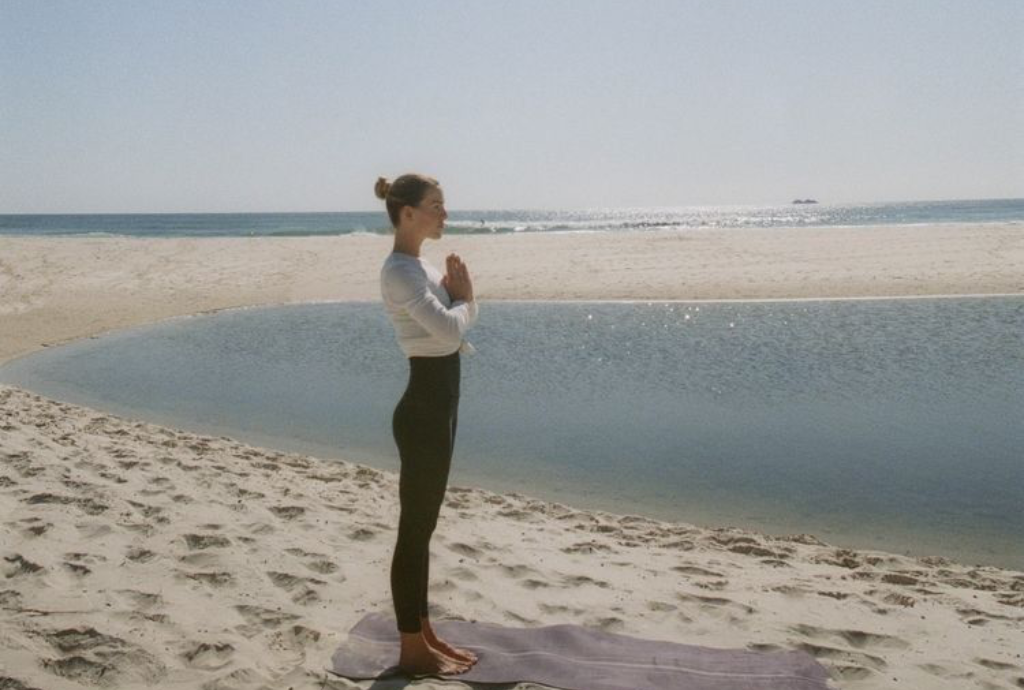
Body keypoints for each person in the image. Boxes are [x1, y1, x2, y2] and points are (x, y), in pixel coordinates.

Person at [375, 173, 480, 676]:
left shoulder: (421, 266)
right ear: (408, 213)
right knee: (413, 531)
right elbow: (448, 330)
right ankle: (411, 648)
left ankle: (424, 631)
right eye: (436, 205)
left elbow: (450, 329)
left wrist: (461, 305)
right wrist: (468, 300)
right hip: (423, 412)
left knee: (425, 527)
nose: (445, 213)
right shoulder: (400, 271)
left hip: (441, 408)